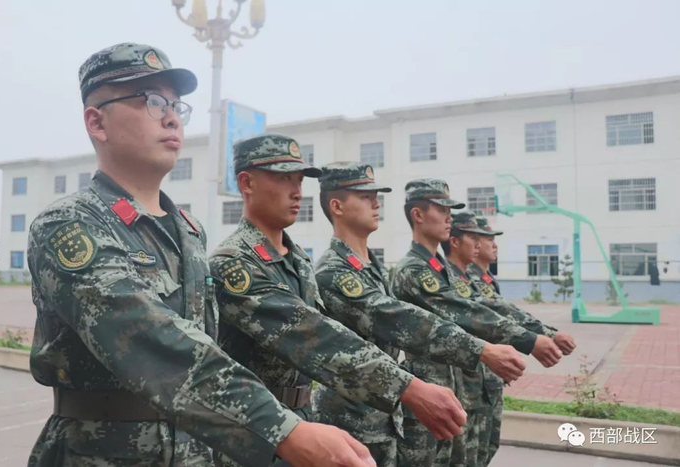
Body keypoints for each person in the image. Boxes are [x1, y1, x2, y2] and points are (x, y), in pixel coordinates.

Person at [27, 42, 380, 467]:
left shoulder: (189, 231)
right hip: (102, 452)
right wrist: (283, 429)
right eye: (151, 101)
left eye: (176, 105)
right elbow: (148, 337)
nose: (172, 117)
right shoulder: (69, 224)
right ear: (97, 122)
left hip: (195, 451)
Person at [209, 136, 469, 466]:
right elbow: (311, 333)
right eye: (283, 178)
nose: (297, 191)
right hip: (253, 432)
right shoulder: (233, 262)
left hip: (303, 418)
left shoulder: (298, 260)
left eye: (299, 180)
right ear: (247, 183)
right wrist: (409, 387)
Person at [312, 162, 527, 467]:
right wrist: (482, 349)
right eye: (364, 197)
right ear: (337, 206)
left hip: (382, 411)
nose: (376, 203)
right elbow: (396, 318)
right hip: (349, 418)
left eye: (376, 196)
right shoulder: (333, 270)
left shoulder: (371, 267)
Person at [391, 179, 564, 466]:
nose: (449, 217)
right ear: (417, 215)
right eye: (441, 209)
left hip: (456, 388)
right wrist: (529, 339)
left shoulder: (441, 268)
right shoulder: (413, 269)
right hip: (430, 390)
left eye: (450, 210)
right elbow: (465, 312)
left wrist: (538, 334)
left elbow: (484, 306)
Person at [464, 214, 576, 463]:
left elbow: (507, 312)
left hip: (489, 375)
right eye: (486, 239)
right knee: (470, 450)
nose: (493, 245)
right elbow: (498, 314)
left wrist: (544, 334)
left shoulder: (485, 278)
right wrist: (544, 335)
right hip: (474, 377)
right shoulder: (467, 279)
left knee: (485, 447)